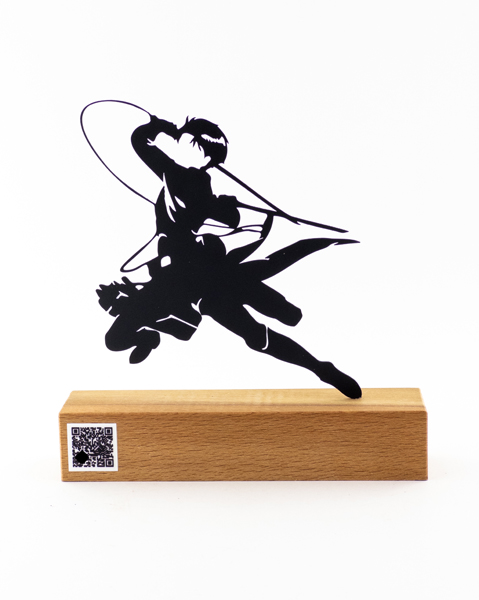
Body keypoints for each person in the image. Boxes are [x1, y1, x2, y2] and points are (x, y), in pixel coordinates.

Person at [97, 113, 361, 398]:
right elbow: (141, 144)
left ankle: (320, 367)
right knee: (115, 339)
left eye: (184, 138)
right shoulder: (183, 176)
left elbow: (142, 143)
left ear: (199, 150)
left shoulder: (180, 176)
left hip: (199, 275)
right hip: (175, 274)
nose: (177, 141)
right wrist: (221, 205)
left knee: (259, 329)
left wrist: (159, 127)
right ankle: (149, 337)